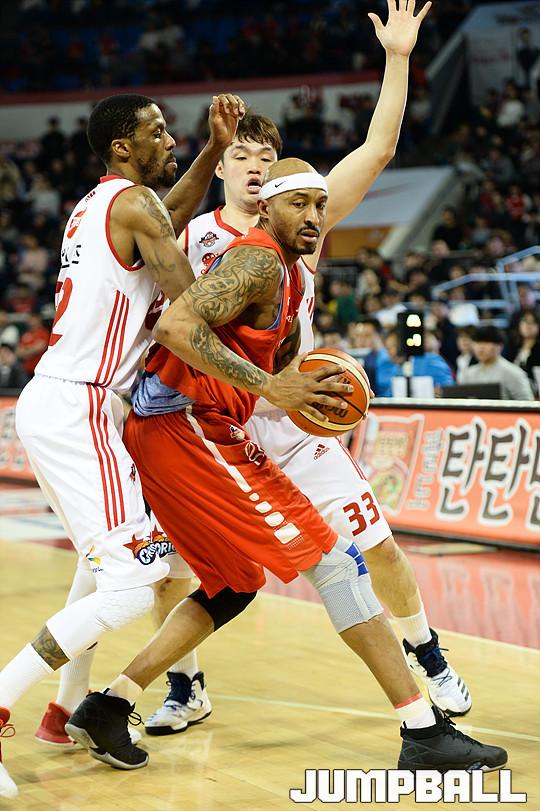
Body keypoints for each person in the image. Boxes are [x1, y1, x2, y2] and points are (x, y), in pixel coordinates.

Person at [40, 0, 473, 742]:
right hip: (203, 419)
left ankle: (426, 659)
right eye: (240, 156)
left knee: (365, 547)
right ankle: (163, 689)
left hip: (285, 422)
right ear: (224, 168)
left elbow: (378, 146)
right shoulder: (188, 233)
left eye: (266, 158)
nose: (255, 167)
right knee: (170, 568)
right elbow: (157, 318)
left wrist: (398, 59)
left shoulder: (304, 224)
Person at [66, 160, 506, 775]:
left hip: (187, 427)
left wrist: (319, 384)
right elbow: (174, 326)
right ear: (266, 207)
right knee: (336, 564)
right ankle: (423, 731)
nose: (313, 216)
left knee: (235, 582)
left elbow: (266, 352)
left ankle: (108, 705)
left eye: (319, 205)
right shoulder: (258, 259)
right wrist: (272, 386)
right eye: (297, 203)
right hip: (185, 424)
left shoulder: (293, 273)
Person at [0, 91, 248, 800]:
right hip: (83, 404)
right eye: (157, 132)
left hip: (62, 401)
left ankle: (60, 711)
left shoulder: (100, 204)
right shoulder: (136, 205)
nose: (169, 140)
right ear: (122, 146)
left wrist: (213, 149)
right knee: (135, 582)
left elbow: (168, 216)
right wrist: (263, 274)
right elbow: (192, 306)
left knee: (108, 562)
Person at [460, 325, 535, 400]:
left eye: (486, 342)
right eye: (477, 342)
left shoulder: (513, 373)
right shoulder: (469, 373)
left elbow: (527, 403)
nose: (480, 348)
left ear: (500, 346)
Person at [376, 329, 454, 396]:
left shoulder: (431, 360)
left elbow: (449, 389)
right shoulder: (395, 369)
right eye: (388, 348)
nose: (391, 352)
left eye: (394, 346)